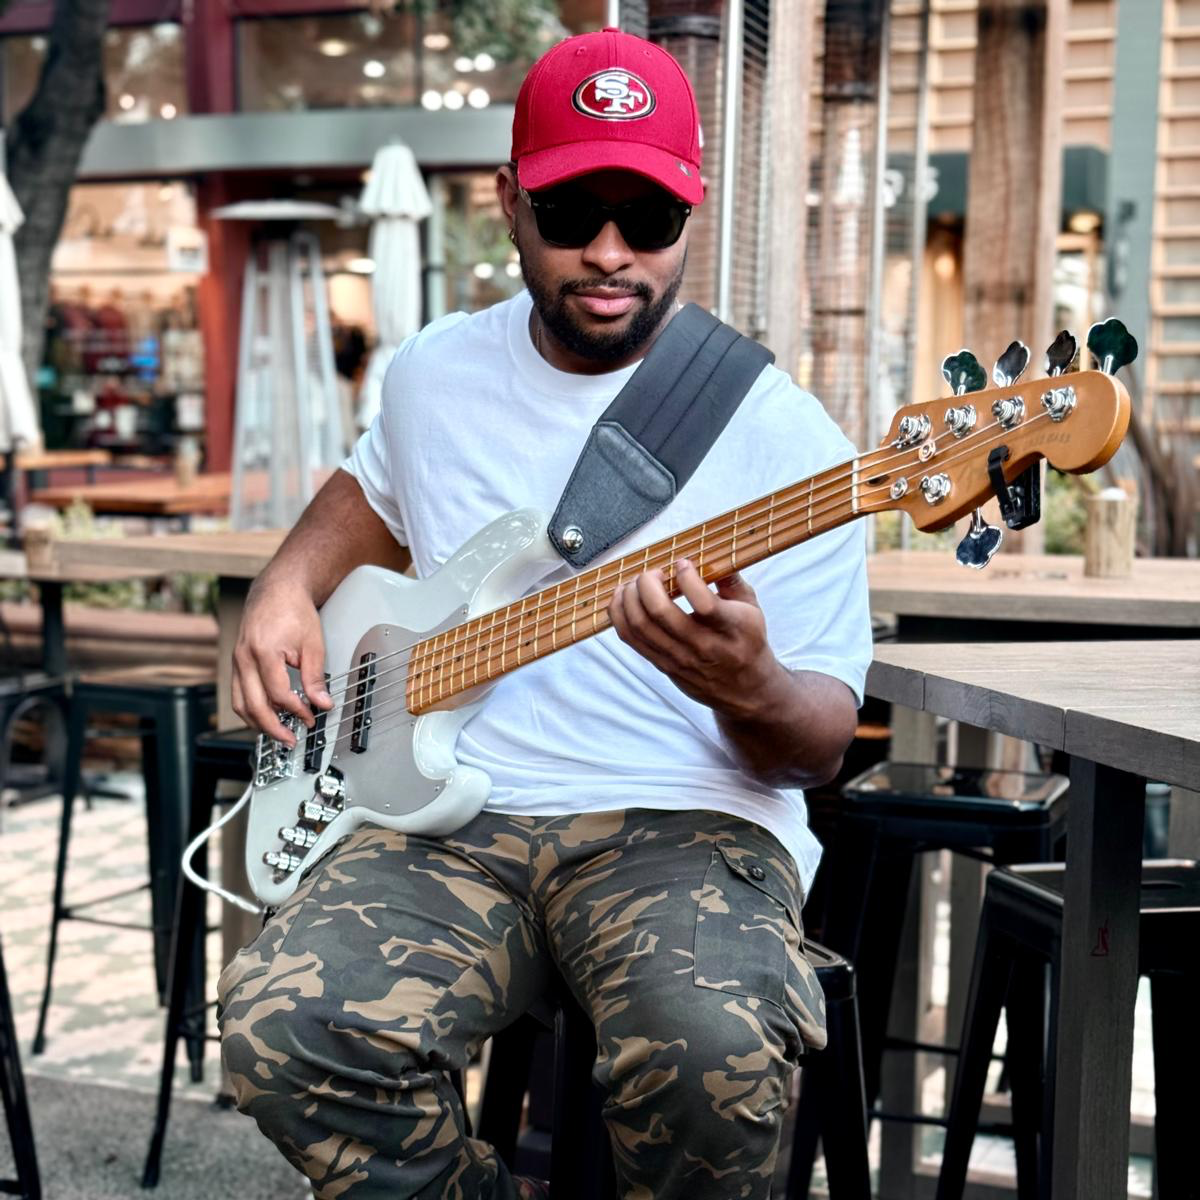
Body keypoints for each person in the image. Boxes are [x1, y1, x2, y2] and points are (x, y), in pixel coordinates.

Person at [218, 27, 872, 1200]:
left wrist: (750, 687)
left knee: (710, 1057)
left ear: (693, 211)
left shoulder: (790, 441)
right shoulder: (433, 375)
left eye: (648, 219)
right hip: (450, 820)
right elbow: (367, 494)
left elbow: (817, 745)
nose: (610, 255)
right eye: (572, 214)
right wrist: (283, 585)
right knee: (283, 1027)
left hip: (686, 821)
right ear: (510, 201)